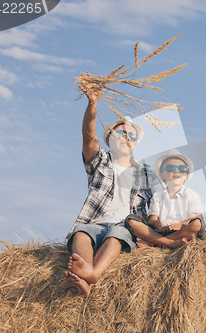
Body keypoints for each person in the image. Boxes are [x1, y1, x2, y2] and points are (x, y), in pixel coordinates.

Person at [63, 72, 163, 296]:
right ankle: (86, 272)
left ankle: (92, 277)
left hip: (126, 226)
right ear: (109, 139)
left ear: (136, 145)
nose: (126, 137)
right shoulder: (100, 162)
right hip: (95, 222)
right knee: (80, 233)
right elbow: (89, 136)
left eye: (132, 136)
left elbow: (160, 203)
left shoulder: (146, 173)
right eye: (120, 133)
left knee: (117, 234)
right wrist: (92, 103)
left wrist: (157, 234)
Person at [125, 149, 205, 248]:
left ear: (186, 176)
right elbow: (152, 220)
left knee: (198, 223)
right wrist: (159, 224)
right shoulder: (158, 195)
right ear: (162, 175)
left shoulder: (192, 195)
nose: (176, 170)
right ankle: (169, 243)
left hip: (183, 231)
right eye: (170, 168)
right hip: (160, 232)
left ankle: (155, 243)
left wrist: (180, 225)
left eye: (182, 169)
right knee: (131, 219)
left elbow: (194, 218)